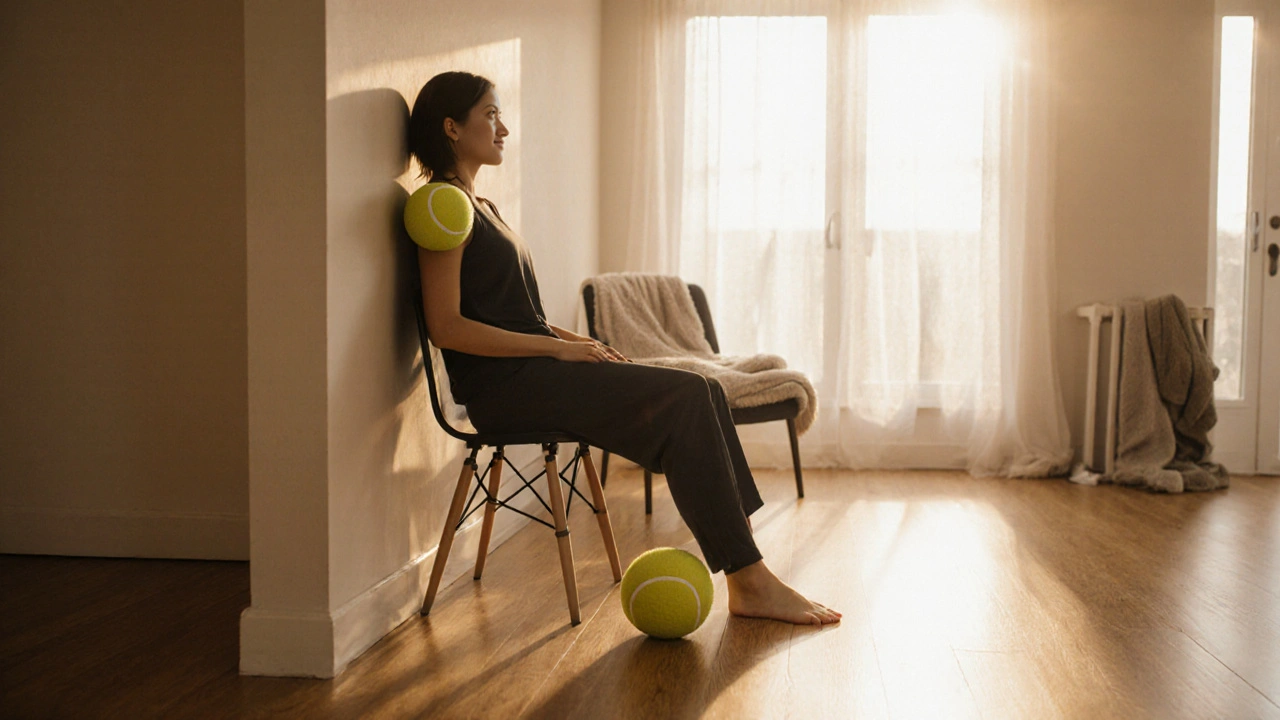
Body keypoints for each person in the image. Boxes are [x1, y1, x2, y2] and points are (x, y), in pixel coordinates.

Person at [408, 71, 839, 626]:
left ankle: (745, 563)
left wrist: (576, 341)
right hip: (507, 390)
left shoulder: (479, 205)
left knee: (703, 388)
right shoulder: (441, 207)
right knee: (686, 397)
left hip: (535, 375)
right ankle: (749, 578)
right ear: (451, 126)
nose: (504, 127)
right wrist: (556, 353)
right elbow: (447, 328)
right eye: (490, 114)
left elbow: (520, 317)